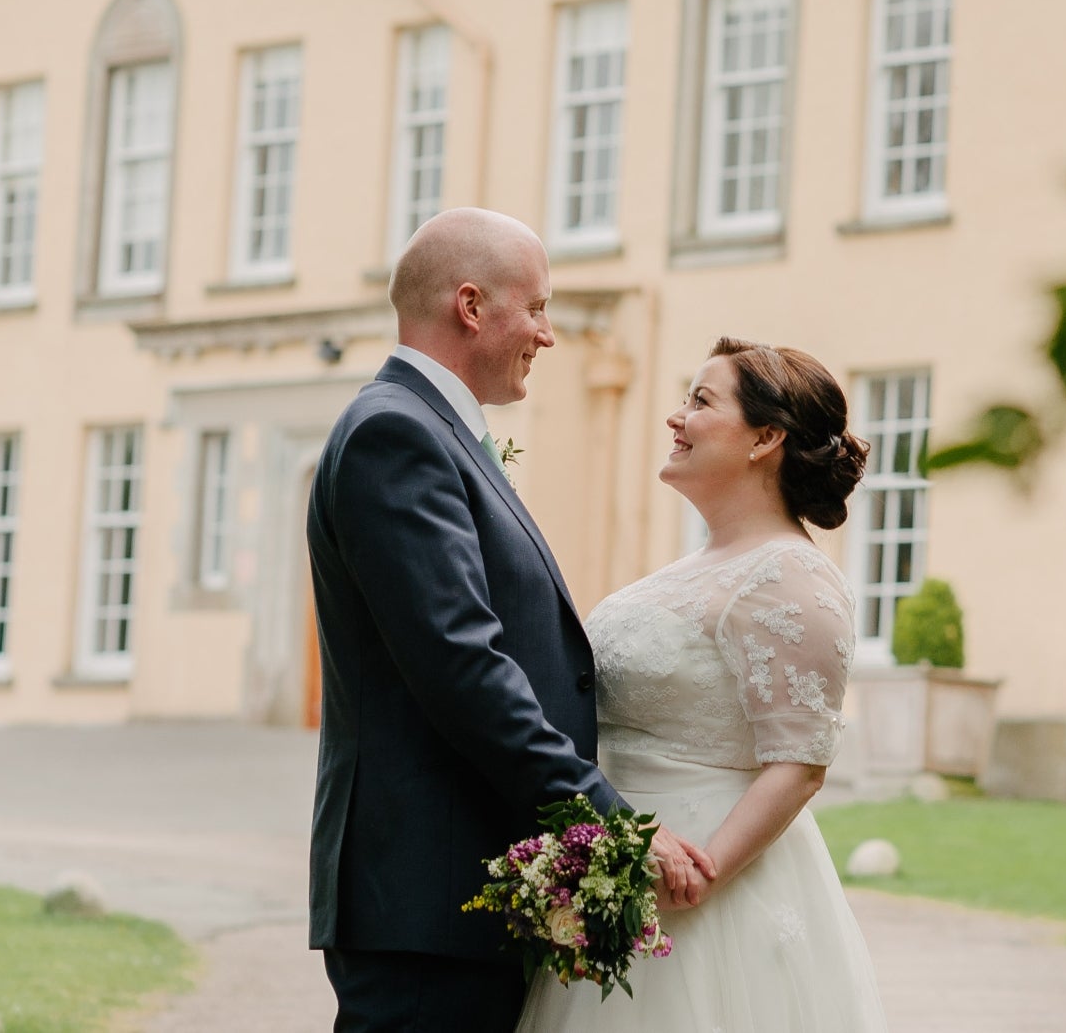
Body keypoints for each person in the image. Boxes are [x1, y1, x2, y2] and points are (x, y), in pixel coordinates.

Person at [307, 208, 714, 1033]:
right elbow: (463, 666)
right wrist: (608, 816)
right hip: (425, 897)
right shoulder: (397, 433)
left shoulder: (435, 429)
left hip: (455, 894)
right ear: (470, 306)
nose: (548, 334)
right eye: (535, 308)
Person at [516, 336, 890, 1033]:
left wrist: (698, 873)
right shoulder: (691, 569)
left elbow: (800, 766)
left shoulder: (790, 576)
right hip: (620, 865)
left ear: (765, 438)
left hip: (704, 892)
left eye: (699, 400)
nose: (675, 417)